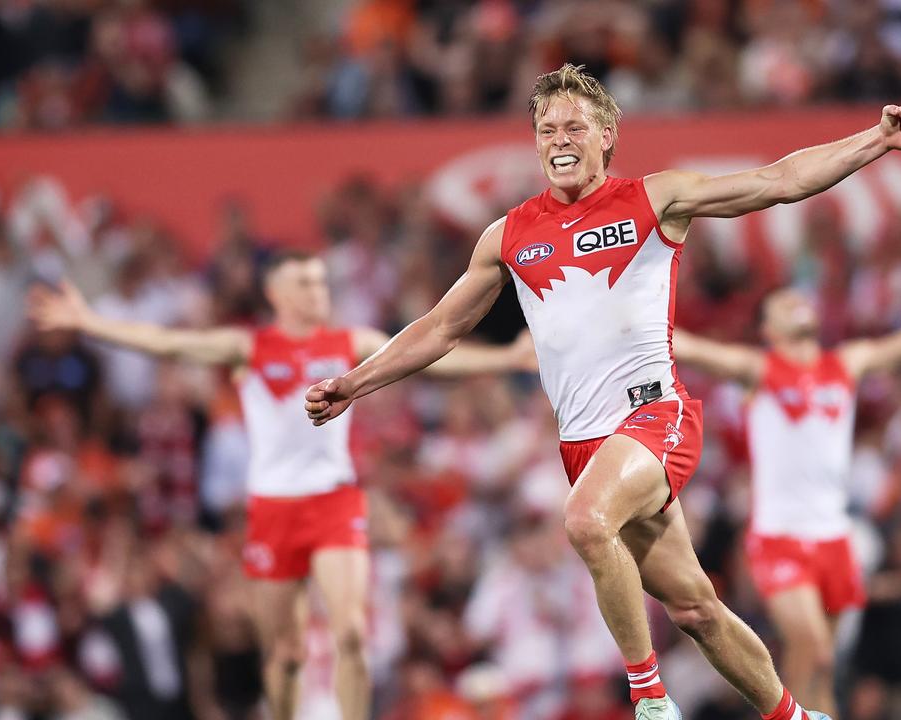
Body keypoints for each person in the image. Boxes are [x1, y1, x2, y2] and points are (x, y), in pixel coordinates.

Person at [304, 63, 901, 720]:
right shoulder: (509, 235)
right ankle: (797, 716)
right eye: (546, 128)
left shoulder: (656, 200)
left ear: (607, 137)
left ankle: (649, 697)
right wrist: (355, 381)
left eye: (574, 125)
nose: (558, 139)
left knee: (583, 519)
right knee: (695, 609)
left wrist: (874, 141)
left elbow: (778, 181)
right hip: (586, 444)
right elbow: (441, 328)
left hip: (656, 418)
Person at [28, 251, 528, 720]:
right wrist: (88, 322)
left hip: (334, 498)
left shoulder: (350, 344)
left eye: (320, 281)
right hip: (273, 508)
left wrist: (505, 359)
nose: (317, 290)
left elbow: (429, 356)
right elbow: (171, 343)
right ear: (277, 294)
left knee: (350, 634)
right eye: (304, 283)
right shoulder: (250, 348)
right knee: (284, 651)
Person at [672, 280, 901, 711]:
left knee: (826, 664)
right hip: (780, 537)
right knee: (811, 647)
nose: (796, 301)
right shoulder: (760, 369)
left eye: (800, 299)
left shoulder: (845, 364)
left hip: (834, 538)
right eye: (783, 303)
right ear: (770, 330)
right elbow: (691, 348)